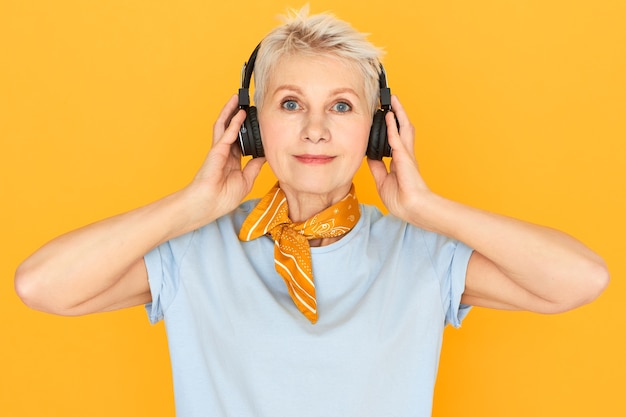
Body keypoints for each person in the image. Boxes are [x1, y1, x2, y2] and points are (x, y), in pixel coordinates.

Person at [15, 7, 608, 417]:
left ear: (378, 131)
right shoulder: (195, 250)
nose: (316, 129)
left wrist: (427, 207)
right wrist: (193, 205)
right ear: (251, 126)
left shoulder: (420, 254)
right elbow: (42, 286)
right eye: (291, 102)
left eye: (344, 106)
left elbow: (582, 280)